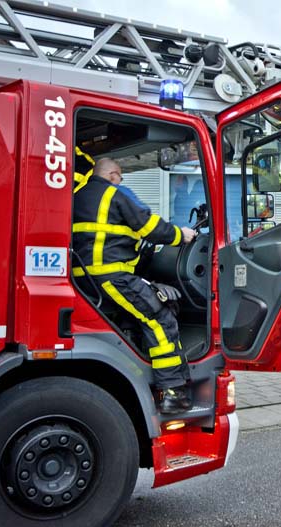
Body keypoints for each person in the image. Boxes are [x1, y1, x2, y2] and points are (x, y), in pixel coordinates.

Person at [72, 158, 197, 414]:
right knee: (160, 317)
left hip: (84, 279)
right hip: (112, 277)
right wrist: (180, 235)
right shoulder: (113, 194)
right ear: (113, 174)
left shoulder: (76, 196)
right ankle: (173, 392)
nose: (121, 182)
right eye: (120, 177)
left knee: (132, 317)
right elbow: (148, 225)